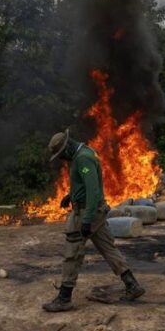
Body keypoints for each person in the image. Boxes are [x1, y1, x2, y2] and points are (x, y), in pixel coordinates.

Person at [42, 130, 145, 312]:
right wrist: (71, 195)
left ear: (66, 148)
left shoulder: (83, 159)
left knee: (72, 253)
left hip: (87, 212)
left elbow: (93, 190)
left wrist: (87, 220)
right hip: (92, 210)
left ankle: (64, 298)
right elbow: (85, 184)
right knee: (108, 248)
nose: (62, 159)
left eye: (61, 154)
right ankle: (132, 285)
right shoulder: (82, 154)